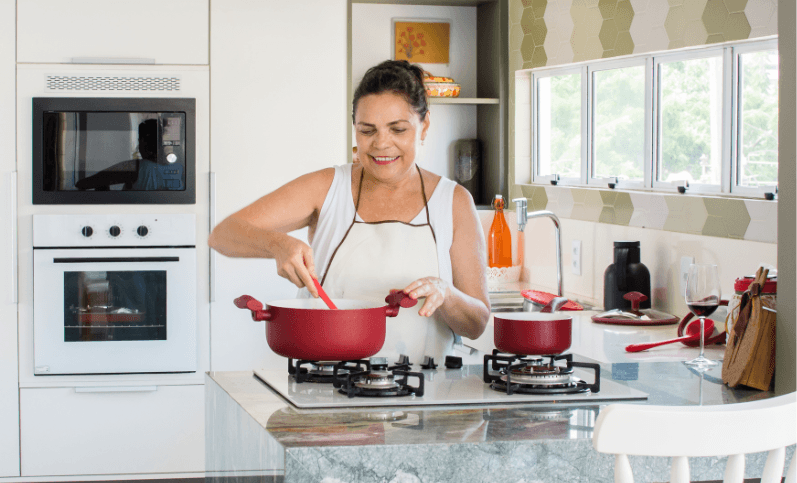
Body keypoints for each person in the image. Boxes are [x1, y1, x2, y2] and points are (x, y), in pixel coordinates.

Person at [208, 60, 490, 363]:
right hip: (329, 387)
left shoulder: (454, 201)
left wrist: (445, 293)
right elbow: (222, 235)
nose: (382, 144)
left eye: (397, 129)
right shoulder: (328, 187)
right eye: (367, 130)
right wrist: (276, 243)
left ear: (425, 126)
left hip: (425, 394)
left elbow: (476, 325)